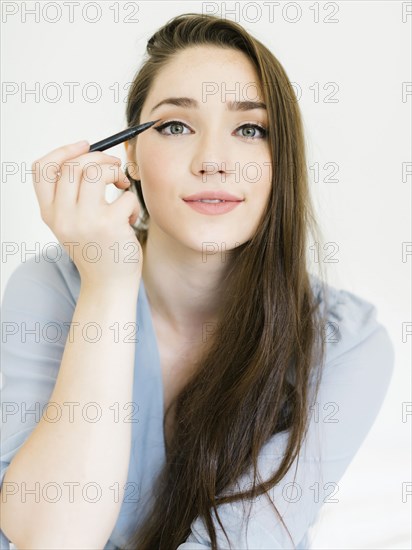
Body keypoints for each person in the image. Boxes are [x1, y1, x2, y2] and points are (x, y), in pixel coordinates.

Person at [0, 13, 395, 550]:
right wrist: (108, 286)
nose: (213, 161)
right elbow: (49, 539)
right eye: (175, 126)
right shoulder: (51, 288)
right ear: (132, 156)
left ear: (282, 163)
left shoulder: (346, 343)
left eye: (250, 130)